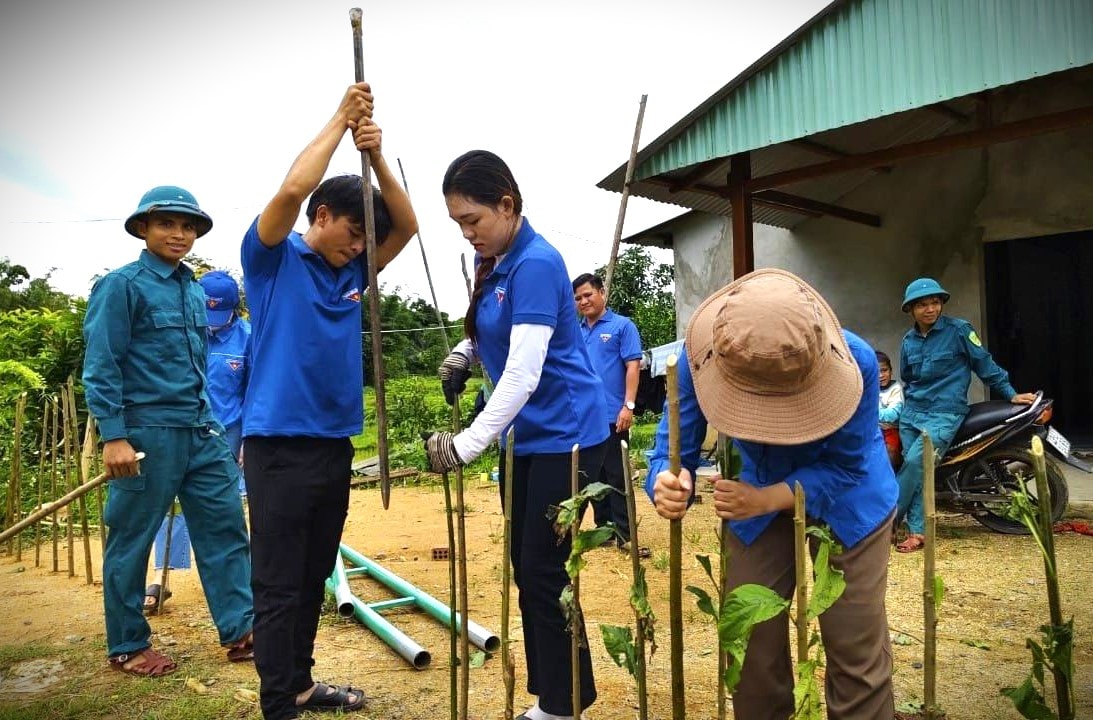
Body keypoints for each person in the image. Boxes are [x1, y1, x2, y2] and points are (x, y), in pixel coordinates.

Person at [648, 268, 897, 720]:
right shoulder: (698, 356)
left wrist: (768, 499)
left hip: (849, 499)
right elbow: (670, 450)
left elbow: (846, 466)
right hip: (752, 490)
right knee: (750, 642)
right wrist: (666, 482)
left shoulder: (854, 361)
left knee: (854, 645)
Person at [240, 82, 416, 720]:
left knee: (313, 574)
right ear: (321, 217)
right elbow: (289, 191)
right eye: (351, 232)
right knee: (278, 583)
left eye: (367, 240)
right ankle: (277, 704)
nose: (361, 247)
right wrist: (342, 122)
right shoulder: (271, 261)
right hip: (277, 449)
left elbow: (411, 224)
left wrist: (379, 154)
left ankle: (302, 685)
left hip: (333, 448)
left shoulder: (351, 275)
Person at [424, 150, 609, 720]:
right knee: (527, 566)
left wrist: (466, 444)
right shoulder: (496, 261)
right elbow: (492, 334)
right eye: (457, 223)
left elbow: (526, 371)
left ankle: (563, 703)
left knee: (543, 569)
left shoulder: (535, 263)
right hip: (527, 439)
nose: (467, 233)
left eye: (472, 220)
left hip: (568, 437)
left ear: (507, 205)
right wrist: (462, 353)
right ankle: (559, 694)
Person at [82, 185, 254, 678]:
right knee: (132, 538)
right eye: (167, 224)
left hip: (201, 430)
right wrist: (114, 436)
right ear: (142, 228)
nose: (179, 234)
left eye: (188, 227)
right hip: (145, 435)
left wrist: (215, 428)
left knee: (224, 527)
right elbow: (101, 364)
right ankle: (128, 644)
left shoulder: (192, 289)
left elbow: (198, 367)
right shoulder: (122, 286)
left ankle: (241, 629)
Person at [894, 278, 1036, 553]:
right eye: (922, 305)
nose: (930, 309)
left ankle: (884, 521)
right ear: (911, 309)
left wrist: (1009, 392)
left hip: (944, 413)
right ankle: (918, 532)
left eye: (935, 302)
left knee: (914, 464)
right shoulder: (908, 341)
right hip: (912, 415)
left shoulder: (959, 331)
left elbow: (984, 364)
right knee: (917, 470)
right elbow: (907, 377)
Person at [144, 270, 251, 613]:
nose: (212, 323)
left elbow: (255, 391)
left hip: (229, 431)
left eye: (220, 315)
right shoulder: (184, 334)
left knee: (226, 505)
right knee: (167, 500)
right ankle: (161, 578)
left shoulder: (249, 338)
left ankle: (237, 582)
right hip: (182, 427)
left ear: (236, 308)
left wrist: (249, 437)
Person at [572, 272, 646, 555]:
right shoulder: (576, 332)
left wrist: (628, 406)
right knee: (591, 476)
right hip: (583, 418)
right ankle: (604, 529)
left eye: (588, 294)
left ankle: (626, 536)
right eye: (578, 298)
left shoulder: (622, 326)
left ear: (602, 293)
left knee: (618, 476)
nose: (583, 301)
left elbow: (632, 367)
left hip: (614, 417)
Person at [876, 349, 904, 470]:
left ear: (891, 371)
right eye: (876, 372)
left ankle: (893, 477)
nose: (881, 375)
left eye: (884, 370)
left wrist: (870, 414)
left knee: (890, 453)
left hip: (891, 430)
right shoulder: (869, 388)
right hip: (874, 430)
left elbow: (893, 414)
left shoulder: (896, 389)